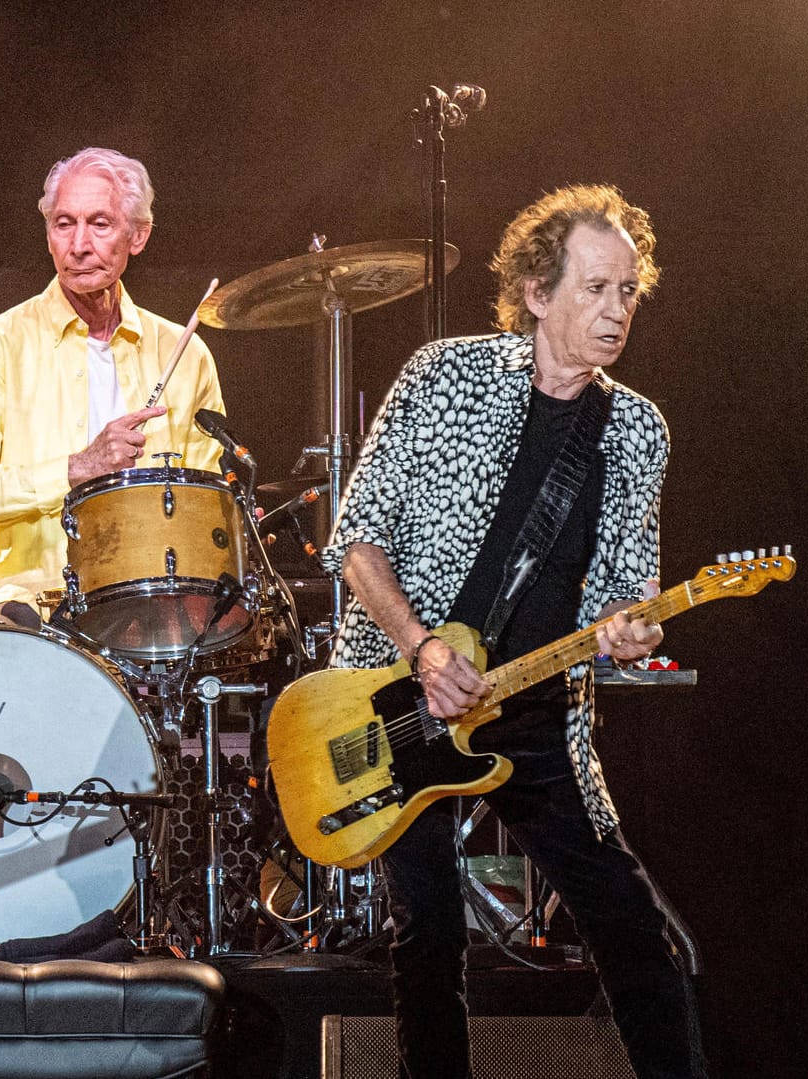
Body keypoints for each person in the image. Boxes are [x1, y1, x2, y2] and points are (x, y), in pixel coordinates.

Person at [323, 184, 707, 1078]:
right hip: (396, 700)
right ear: (538, 293)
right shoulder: (442, 376)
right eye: (595, 288)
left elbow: (623, 591)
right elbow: (357, 540)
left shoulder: (635, 428)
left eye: (627, 292)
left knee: (631, 930)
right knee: (425, 935)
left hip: (534, 715)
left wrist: (629, 631)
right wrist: (420, 648)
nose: (616, 312)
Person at [0, 147, 226, 625]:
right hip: (34, 603)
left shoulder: (186, 353)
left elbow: (208, 499)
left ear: (138, 236)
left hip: (154, 604)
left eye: (101, 224)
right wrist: (77, 467)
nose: (79, 244)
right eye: (64, 224)